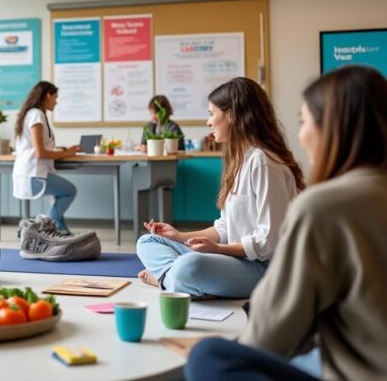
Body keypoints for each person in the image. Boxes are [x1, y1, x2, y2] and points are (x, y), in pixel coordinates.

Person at [186, 66, 387, 380]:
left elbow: (270, 337)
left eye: (304, 122)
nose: (303, 136)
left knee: (207, 355)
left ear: (333, 128)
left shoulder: (323, 206)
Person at [136, 77, 304, 298]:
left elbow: (268, 242)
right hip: (235, 259)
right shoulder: (240, 159)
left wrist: (218, 250)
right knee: (147, 242)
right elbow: (224, 228)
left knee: (190, 266)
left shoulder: (263, 162)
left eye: (211, 114)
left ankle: (168, 279)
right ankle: (177, 280)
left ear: (232, 114)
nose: (208, 122)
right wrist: (179, 235)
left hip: (264, 269)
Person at [12, 81, 82, 235]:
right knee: (69, 191)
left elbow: (39, 146)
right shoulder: (36, 115)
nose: (56, 102)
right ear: (48, 95)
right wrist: (68, 152)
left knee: (62, 193)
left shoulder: (33, 114)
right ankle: (46, 227)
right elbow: (40, 153)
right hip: (33, 174)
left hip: (30, 172)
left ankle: (60, 230)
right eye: (55, 98)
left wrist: (60, 150)